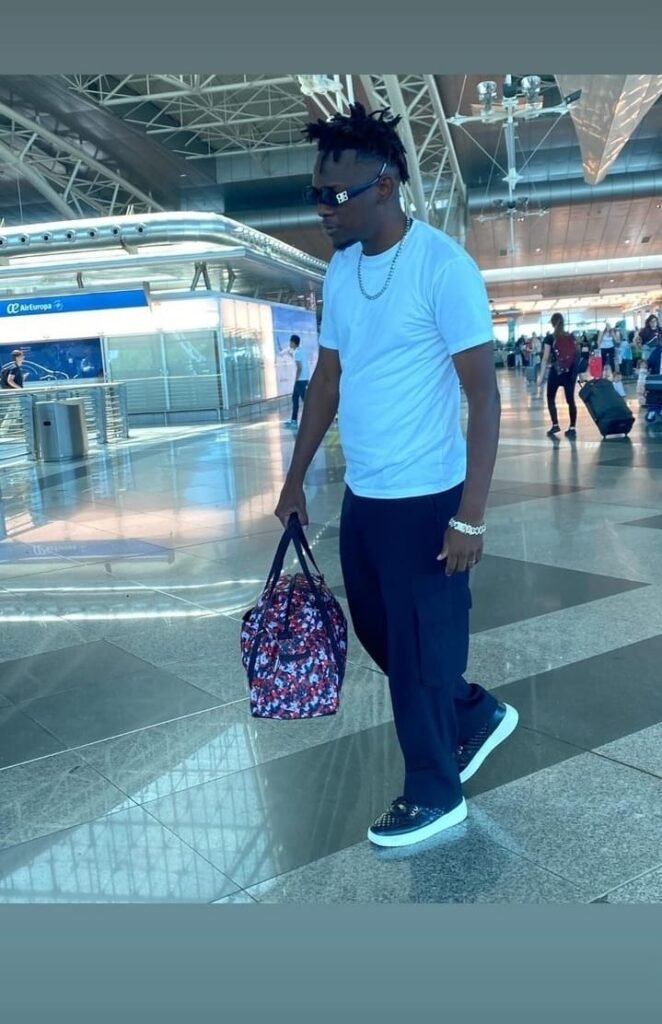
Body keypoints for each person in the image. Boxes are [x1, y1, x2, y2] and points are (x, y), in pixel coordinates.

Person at [274, 102, 518, 849]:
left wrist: (470, 515)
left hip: (428, 499)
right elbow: (327, 380)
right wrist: (294, 478)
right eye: (316, 194)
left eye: (334, 196)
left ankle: (435, 793)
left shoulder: (444, 268)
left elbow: (483, 396)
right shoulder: (342, 271)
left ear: (384, 186)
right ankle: (473, 712)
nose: (323, 209)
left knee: (419, 652)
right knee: (382, 635)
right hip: (367, 496)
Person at [538, 313, 579, 440]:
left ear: (552, 323)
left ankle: (555, 425)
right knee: (570, 400)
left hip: (556, 372)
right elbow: (576, 354)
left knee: (550, 398)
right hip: (569, 372)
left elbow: (545, 358)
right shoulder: (571, 336)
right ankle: (572, 427)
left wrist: (541, 376)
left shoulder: (550, 338)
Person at [284, 334, 310, 429]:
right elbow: (300, 361)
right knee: (295, 398)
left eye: (290, 342)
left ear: (293, 342)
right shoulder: (301, 351)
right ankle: (294, 420)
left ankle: (311, 419)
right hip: (304, 378)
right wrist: (291, 354)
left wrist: (296, 379)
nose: (289, 343)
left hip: (300, 380)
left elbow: (299, 367)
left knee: (305, 401)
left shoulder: (297, 353)